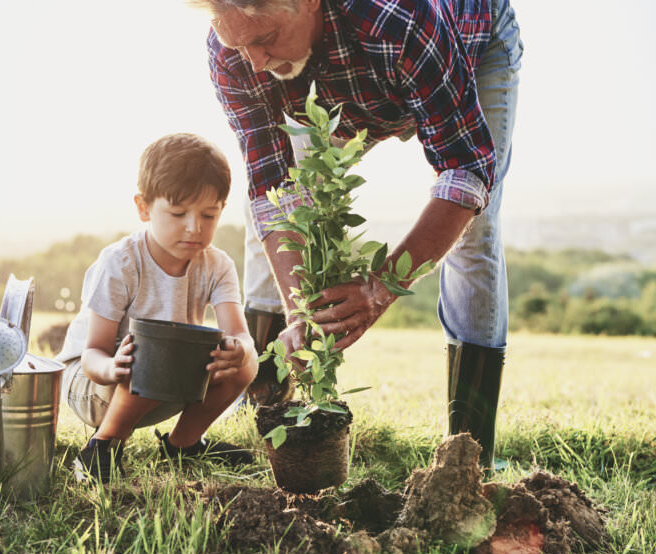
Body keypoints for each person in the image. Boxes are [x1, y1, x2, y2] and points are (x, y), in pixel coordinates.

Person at [191, 0, 522, 470]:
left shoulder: (398, 18)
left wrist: (378, 290)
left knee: (475, 229)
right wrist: (302, 311)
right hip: (337, 78)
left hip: (465, 46)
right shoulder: (235, 49)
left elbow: (465, 172)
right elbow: (271, 189)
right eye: (239, 45)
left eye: (264, 40)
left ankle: (467, 451)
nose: (256, 63)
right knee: (288, 203)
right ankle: (265, 400)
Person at [56, 133, 259, 483]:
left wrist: (240, 350)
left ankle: (183, 445)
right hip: (96, 384)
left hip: (165, 380)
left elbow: (241, 334)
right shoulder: (120, 262)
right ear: (143, 207)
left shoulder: (218, 265)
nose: (194, 228)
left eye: (209, 215)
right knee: (154, 348)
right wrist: (112, 367)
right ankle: (101, 449)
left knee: (247, 358)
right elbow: (91, 354)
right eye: (178, 213)